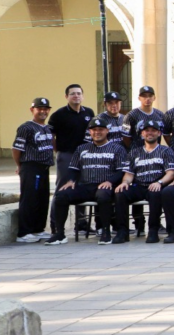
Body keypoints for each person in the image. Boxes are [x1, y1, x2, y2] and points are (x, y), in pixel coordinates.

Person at [45, 117, 128, 245]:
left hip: (104, 186)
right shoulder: (81, 149)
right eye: (94, 130)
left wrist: (110, 181)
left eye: (100, 129)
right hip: (84, 186)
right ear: (90, 132)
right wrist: (71, 180)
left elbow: (121, 170)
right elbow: (73, 168)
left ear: (107, 131)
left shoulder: (117, 149)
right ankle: (59, 233)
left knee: (103, 195)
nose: (97, 132)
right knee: (61, 195)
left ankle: (106, 232)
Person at [113, 119, 174, 244]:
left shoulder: (166, 151)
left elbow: (171, 173)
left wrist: (160, 182)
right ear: (142, 134)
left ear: (159, 133)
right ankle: (122, 231)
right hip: (139, 185)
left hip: (156, 185)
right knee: (121, 193)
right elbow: (129, 174)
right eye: (147, 131)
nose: (150, 133)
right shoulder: (134, 152)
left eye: (153, 131)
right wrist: (125, 183)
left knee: (155, 194)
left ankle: (153, 230)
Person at [13, 98, 54, 243]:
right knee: (30, 198)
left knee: (42, 199)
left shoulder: (48, 128)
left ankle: (38, 229)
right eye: (39, 108)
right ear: (32, 110)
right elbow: (17, 149)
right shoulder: (26, 128)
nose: (43, 111)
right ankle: (24, 232)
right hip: (31, 167)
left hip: (44, 168)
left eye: (45, 108)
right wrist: (20, 166)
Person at [48, 84, 94, 188]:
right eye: (72, 93)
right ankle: (58, 204)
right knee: (63, 184)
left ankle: (80, 205)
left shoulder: (89, 112)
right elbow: (51, 136)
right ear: (66, 96)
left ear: (83, 96)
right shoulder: (58, 115)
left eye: (79, 93)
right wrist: (59, 151)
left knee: (82, 184)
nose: (76, 96)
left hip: (85, 155)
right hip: (67, 154)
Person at [122, 85, 165, 150]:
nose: (147, 98)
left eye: (150, 96)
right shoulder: (131, 115)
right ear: (139, 98)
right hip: (137, 153)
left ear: (154, 98)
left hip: (156, 153)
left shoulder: (160, 115)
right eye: (144, 96)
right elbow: (125, 137)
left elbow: (164, 133)